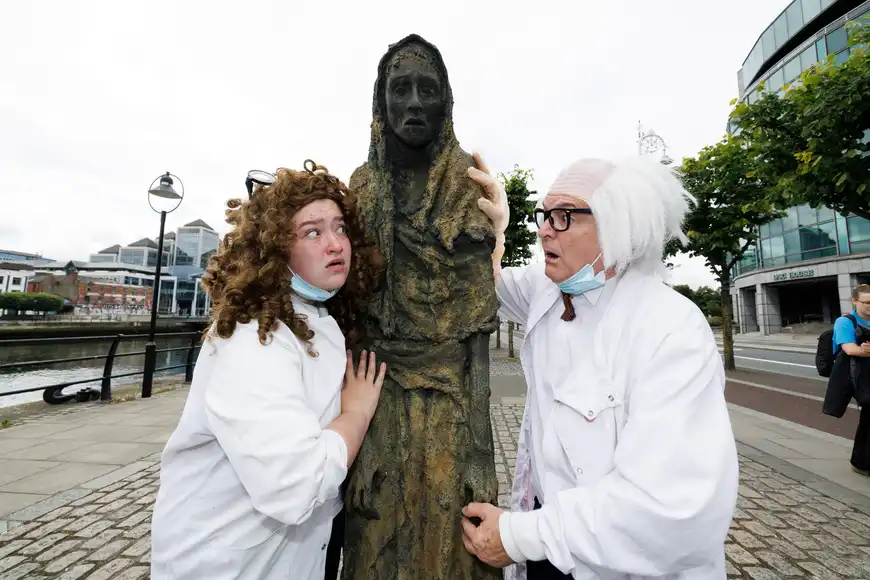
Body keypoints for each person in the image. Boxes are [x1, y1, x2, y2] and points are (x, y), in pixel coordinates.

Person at [460, 153, 740, 580]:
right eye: (543, 215)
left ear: (617, 226)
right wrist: (495, 234)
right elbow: (485, 286)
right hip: (548, 546)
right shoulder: (548, 291)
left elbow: (669, 508)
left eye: (564, 216)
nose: (543, 230)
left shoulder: (669, 326)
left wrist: (518, 537)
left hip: (615, 562)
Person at [150, 160, 385, 580]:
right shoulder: (253, 337)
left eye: (340, 228)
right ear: (275, 248)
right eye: (312, 232)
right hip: (226, 564)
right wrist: (356, 415)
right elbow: (295, 487)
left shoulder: (316, 317)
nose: (336, 244)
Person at [832, 284, 870, 476]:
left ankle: (862, 460)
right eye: (867, 302)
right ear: (855, 301)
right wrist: (862, 350)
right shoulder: (845, 321)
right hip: (857, 375)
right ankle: (861, 462)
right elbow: (849, 349)